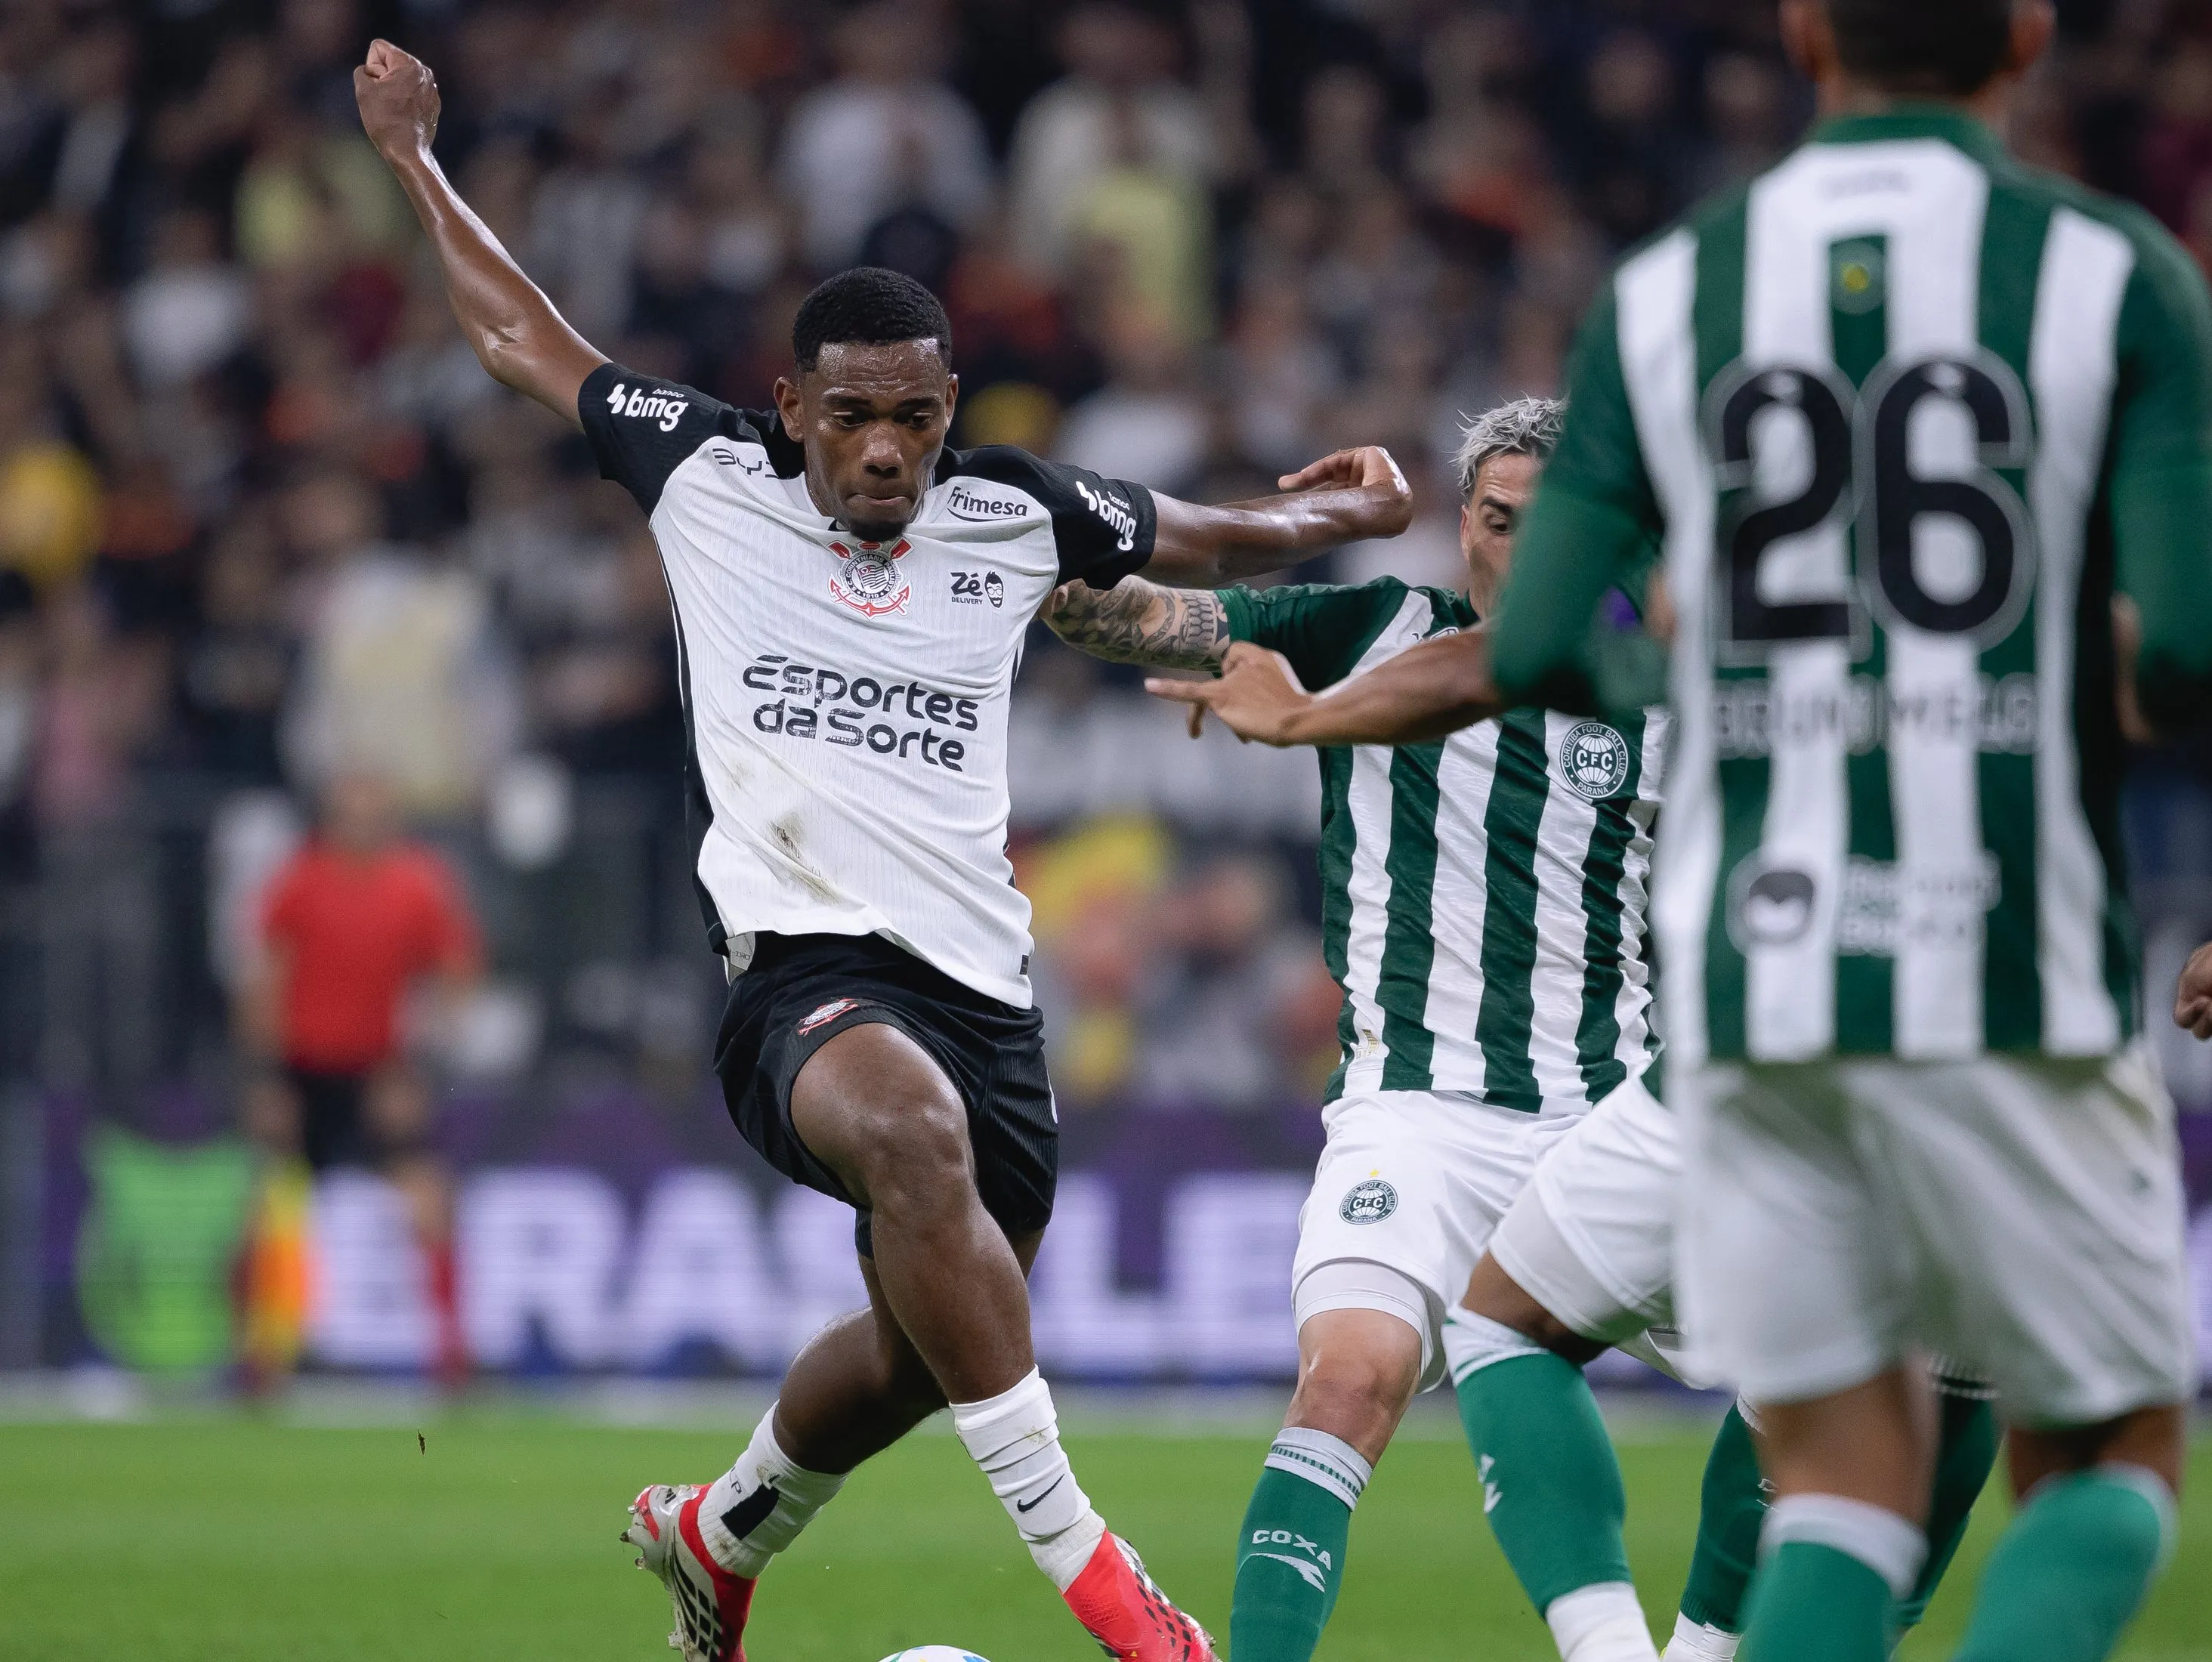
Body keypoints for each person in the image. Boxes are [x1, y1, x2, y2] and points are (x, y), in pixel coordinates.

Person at [354, 38, 1411, 1662]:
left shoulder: (1008, 511)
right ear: (793, 407)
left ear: (945, 414)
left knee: (930, 1347)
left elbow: (1204, 533)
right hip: (801, 980)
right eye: (849, 419)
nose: (880, 455)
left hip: (986, 991)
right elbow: (522, 335)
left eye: (911, 421)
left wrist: (1345, 517)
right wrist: (419, 162)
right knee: (907, 1136)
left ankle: (717, 1533)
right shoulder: (704, 472)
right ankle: (1106, 1589)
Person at [1474, 1, 2212, 1657]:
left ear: (1801, 36)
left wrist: (1745, 683)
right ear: (2026, 37)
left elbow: (1526, 645)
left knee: (1843, 1481)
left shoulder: (1667, 292)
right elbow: (2206, 649)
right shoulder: (2110, 273)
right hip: (2006, 969)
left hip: (1757, 990)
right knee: (2102, 1455)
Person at [1160, 570, 2212, 1662]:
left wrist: (1308, 715)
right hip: (2032, 1038)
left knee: (1520, 1329)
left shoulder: (1762, 539)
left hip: (1787, 1024)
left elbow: (1497, 664)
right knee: (2077, 1456)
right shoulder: (2065, 546)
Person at [1039, 398, 1670, 1662]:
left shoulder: (1669, 677)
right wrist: (1299, 529)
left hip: (1619, 1115)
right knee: (1348, 1381)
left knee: (1844, 1385)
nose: (1518, 553)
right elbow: (1095, 607)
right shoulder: (1373, 628)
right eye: (1494, 521)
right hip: (1417, 1117)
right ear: (1456, 523)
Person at [237, 770, 483, 1389]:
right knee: (275, 1210)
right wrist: (268, 1079)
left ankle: (452, 1357)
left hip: (379, 1071)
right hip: (304, 1070)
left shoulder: (416, 884)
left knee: (428, 1199)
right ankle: (263, 1359)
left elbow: (456, 972)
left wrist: (419, 1063)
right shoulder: (300, 880)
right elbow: (265, 977)